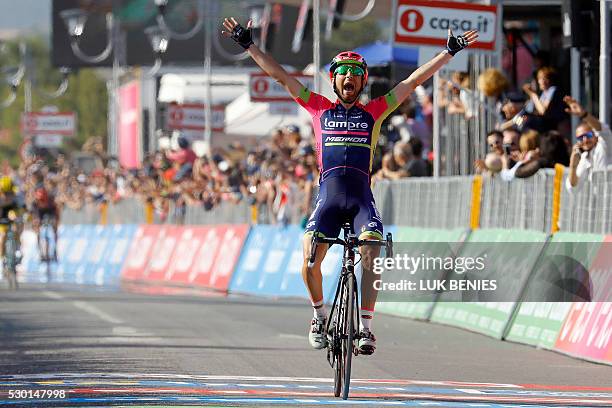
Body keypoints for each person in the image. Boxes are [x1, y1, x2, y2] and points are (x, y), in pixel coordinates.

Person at [222, 16, 477, 354]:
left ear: (363, 83)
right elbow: (279, 76)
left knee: (372, 253)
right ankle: (318, 315)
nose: (349, 80)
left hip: (360, 199)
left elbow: (413, 81)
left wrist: (448, 53)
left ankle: (367, 328)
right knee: (310, 258)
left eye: (356, 77)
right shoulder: (317, 108)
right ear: (334, 80)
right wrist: (249, 45)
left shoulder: (375, 111)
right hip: (328, 197)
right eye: (343, 75)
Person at [564, 96, 610, 191]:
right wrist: (573, 165)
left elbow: (603, 131)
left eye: (588, 135)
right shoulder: (585, 157)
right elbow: (573, 188)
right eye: (580, 137)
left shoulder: (605, 146)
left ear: (595, 135)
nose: (585, 140)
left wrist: (583, 114)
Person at [30, 182, 60, 261]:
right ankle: (40, 251)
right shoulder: (35, 203)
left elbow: (56, 211)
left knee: (54, 229)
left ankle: (55, 250)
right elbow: (34, 215)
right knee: (38, 231)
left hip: (50, 213)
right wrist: (35, 223)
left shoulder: (50, 199)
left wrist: (56, 222)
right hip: (40, 214)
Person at [0, 175, 23, 263]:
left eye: (9, 193)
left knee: (16, 228)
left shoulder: (15, 196)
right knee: (2, 237)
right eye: (4, 193)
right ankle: (1, 260)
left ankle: (17, 249)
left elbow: (20, 209)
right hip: (2, 217)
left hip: (11, 212)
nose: (7, 196)